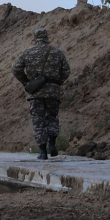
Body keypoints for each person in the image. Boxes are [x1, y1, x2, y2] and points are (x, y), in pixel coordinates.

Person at [13, 28, 71, 160]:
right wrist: (57, 83)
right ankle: (52, 144)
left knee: (38, 120)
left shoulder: (27, 52)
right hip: (53, 92)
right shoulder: (57, 52)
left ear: (35, 38)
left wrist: (27, 82)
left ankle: (43, 151)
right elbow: (66, 70)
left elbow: (16, 69)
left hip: (36, 92)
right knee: (52, 117)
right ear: (47, 37)